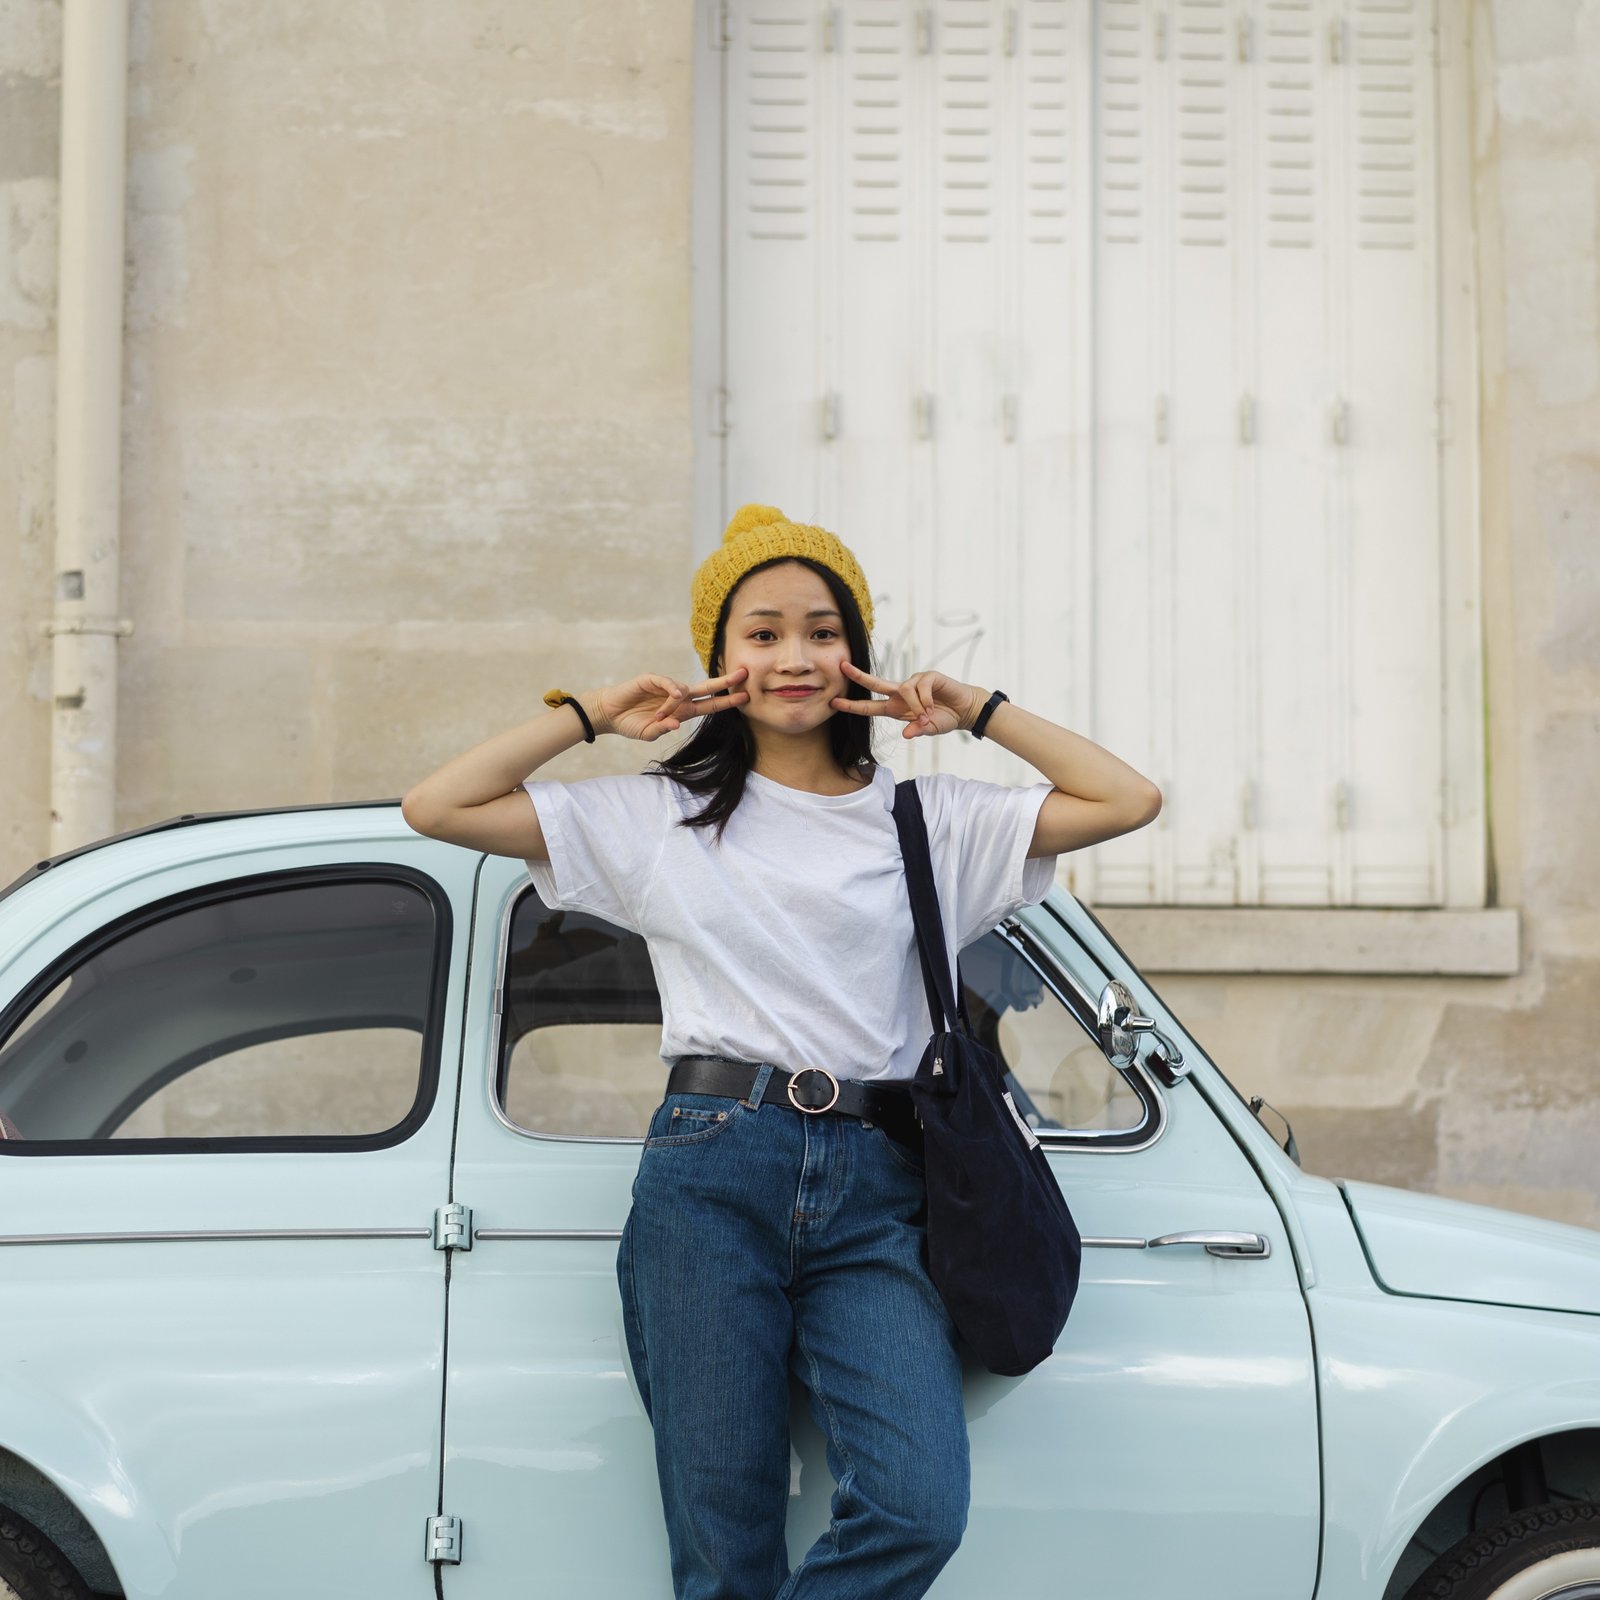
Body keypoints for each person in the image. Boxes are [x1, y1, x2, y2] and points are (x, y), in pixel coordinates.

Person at [401, 503, 1161, 1600]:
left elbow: (1126, 798)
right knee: (724, 1531)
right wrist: (594, 713)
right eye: (760, 633)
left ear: (856, 652)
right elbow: (440, 804)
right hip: (713, 1168)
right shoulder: (657, 816)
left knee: (914, 1504)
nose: (794, 657)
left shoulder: (927, 818)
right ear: (720, 660)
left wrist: (974, 708)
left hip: (879, 1184)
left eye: (820, 629)